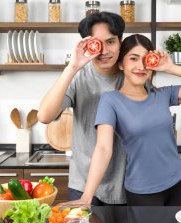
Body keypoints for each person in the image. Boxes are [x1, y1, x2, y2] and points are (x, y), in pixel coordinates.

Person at [76, 34, 181, 206]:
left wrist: (170, 67)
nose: (141, 66)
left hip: (177, 182)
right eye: (133, 58)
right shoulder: (111, 100)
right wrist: (87, 196)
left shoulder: (163, 95)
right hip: (142, 190)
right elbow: (103, 148)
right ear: (121, 64)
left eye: (146, 60)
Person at [37, 12, 127, 205]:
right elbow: (44, 116)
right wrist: (72, 67)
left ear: (121, 42)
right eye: (97, 44)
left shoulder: (133, 76)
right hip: (84, 185)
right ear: (87, 45)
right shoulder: (79, 76)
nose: (104, 51)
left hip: (128, 184)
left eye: (110, 42)